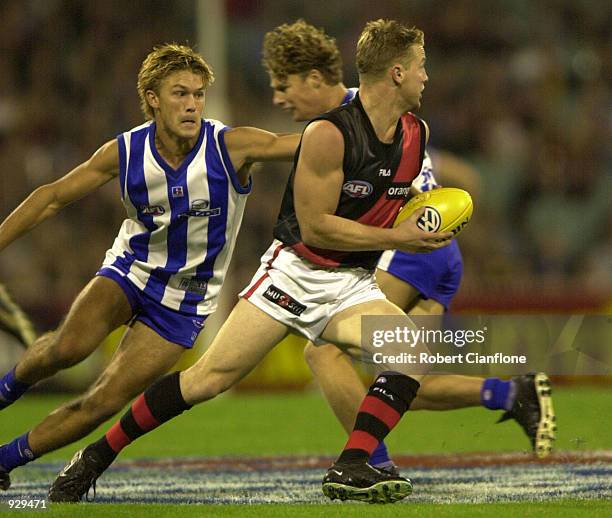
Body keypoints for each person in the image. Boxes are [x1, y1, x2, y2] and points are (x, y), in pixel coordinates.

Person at [48, 19, 455, 505]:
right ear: (395, 73)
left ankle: (352, 465)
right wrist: (399, 238)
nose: (425, 76)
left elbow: (389, 189)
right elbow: (315, 226)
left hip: (352, 283)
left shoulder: (416, 132)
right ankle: (97, 454)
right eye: (420, 66)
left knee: (410, 349)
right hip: (294, 272)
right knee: (206, 381)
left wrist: (429, 213)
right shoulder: (328, 134)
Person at [0, 43, 301, 491]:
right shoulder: (125, 151)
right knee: (67, 349)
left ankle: (5, 459)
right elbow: (52, 197)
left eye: (198, 94)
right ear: (153, 98)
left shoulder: (231, 146)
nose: (192, 104)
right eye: (180, 93)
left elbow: (304, 144)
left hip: (185, 301)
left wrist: (360, 120)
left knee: (104, 400)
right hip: (130, 271)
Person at [260, 19, 556, 471]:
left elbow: (296, 156)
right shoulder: (390, 115)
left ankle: (369, 463)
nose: (280, 99)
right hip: (438, 252)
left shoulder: (354, 117)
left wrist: (235, 150)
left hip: (406, 250)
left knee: (323, 350)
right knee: (401, 379)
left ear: (313, 79)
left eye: (285, 86)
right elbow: (444, 169)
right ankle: (510, 393)